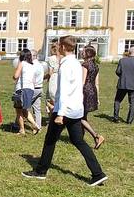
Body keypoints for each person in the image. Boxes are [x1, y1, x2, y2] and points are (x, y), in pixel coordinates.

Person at [22, 36, 108, 186]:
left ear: (62, 47)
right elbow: (76, 89)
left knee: (50, 140)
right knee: (78, 141)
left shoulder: (67, 65)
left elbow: (65, 91)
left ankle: (41, 171)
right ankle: (98, 174)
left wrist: (60, 113)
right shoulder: (76, 63)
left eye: (58, 45)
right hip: (75, 109)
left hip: (65, 110)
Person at [79, 46, 106, 149]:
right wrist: (97, 97)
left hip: (85, 91)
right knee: (83, 115)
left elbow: (82, 81)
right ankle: (80, 138)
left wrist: (78, 94)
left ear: (87, 53)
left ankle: (96, 135)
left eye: (83, 51)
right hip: (93, 91)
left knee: (80, 117)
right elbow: (97, 83)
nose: (82, 53)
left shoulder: (85, 65)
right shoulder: (96, 65)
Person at [112, 49, 134, 124]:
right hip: (133, 84)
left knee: (117, 100)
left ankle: (116, 117)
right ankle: (129, 120)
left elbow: (118, 71)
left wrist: (123, 76)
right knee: (132, 103)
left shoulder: (122, 61)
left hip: (122, 83)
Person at [12, 50, 39, 135]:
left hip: (21, 89)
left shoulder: (22, 63)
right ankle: (33, 125)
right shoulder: (33, 66)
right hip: (30, 89)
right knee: (25, 109)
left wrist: (14, 76)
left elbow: (15, 76)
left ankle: (23, 129)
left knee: (19, 110)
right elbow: (34, 80)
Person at [31, 51, 46, 132]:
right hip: (40, 87)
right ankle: (39, 126)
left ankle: (19, 125)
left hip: (34, 88)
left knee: (23, 107)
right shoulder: (40, 65)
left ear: (34, 56)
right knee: (37, 109)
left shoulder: (33, 65)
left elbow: (32, 78)